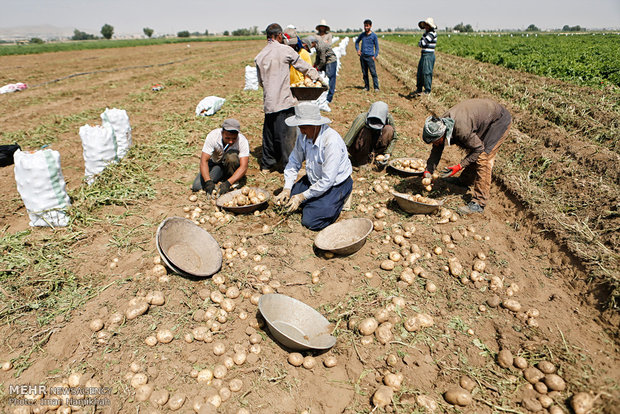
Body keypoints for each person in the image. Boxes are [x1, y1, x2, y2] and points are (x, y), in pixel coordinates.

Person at [422, 98, 512, 214]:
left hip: (498, 122)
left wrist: (460, 166)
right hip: (483, 119)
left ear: (443, 134)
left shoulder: (461, 129)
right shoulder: (441, 124)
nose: (435, 144)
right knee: (473, 148)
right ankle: (464, 181)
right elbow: (437, 149)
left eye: (436, 141)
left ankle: (479, 203)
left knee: (483, 158)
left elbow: (478, 149)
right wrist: (428, 170)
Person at [273, 102, 353, 231]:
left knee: (311, 221)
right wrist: (287, 188)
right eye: (300, 126)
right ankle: (314, 202)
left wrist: (302, 197)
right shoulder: (303, 136)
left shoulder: (331, 142)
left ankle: (340, 199)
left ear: (315, 125)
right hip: (313, 178)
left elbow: (327, 180)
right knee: (287, 200)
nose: (301, 130)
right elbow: (294, 162)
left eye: (304, 127)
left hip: (335, 184)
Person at [255, 23, 319, 172]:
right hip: (284, 100)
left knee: (269, 133)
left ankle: (266, 165)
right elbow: (303, 66)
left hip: (269, 101)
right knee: (286, 136)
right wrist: (317, 77)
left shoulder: (260, 56)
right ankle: (288, 166)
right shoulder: (286, 51)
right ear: (279, 36)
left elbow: (260, 82)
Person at [191, 118, 250, 197]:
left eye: (234, 139)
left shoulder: (242, 141)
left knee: (232, 157)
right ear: (222, 133)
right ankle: (221, 174)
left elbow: (244, 166)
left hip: (231, 164)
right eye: (228, 138)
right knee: (197, 186)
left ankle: (232, 180)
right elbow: (204, 161)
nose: (231, 141)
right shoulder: (213, 136)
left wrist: (228, 183)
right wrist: (208, 181)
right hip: (216, 164)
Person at [343, 101, 397, 168]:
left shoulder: (388, 118)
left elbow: (394, 137)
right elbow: (348, 140)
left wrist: (387, 153)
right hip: (361, 147)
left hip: (375, 145)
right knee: (365, 131)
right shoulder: (361, 119)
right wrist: (340, 155)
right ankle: (362, 160)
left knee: (389, 129)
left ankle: (377, 157)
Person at [303, 36, 338, 104]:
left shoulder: (321, 46)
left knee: (330, 78)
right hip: (325, 59)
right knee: (321, 76)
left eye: (310, 44)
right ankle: (321, 92)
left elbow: (322, 60)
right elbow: (318, 56)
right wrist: (314, 65)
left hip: (330, 60)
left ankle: (329, 98)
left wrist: (317, 68)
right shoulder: (317, 46)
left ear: (313, 43)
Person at [355, 19, 380, 91]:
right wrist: (358, 50)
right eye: (365, 26)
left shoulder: (374, 36)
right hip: (363, 56)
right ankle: (366, 87)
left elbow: (377, 47)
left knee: (373, 72)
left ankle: (376, 87)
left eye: (367, 26)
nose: (366, 27)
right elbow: (357, 42)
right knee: (364, 73)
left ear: (370, 26)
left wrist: (374, 56)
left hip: (370, 57)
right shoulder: (362, 35)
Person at [416, 17, 437, 95]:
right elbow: (420, 43)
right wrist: (421, 42)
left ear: (430, 26)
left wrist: (421, 42)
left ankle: (427, 90)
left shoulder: (432, 34)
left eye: (427, 25)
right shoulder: (425, 34)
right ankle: (419, 89)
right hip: (423, 54)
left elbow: (422, 43)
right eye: (425, 25)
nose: (426, 27)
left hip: (429, 55)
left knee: (427, 72)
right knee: (420, 72)